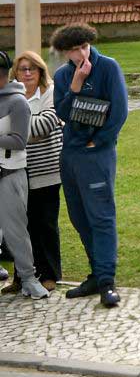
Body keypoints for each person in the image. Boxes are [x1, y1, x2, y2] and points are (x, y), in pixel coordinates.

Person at [51, 23, 128, 309]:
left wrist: (100, 140)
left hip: (96, 155)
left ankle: (107, 281)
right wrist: (75, 85)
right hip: (70, 155)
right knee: (79, 217)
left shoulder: (108, 67)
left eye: (84, 47)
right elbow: (62, 111)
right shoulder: (63, 75)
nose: (81, 54)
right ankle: (96, 274)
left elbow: (119, 111)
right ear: (65, 53)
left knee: (101, 216)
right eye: (74, 50)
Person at [3, 51, 60, 294]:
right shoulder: (12, 97)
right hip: (19, 169)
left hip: (45, 170)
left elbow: (43, 126)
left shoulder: (49, 93)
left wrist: (17, 129)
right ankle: (21, 277)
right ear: (15, 72)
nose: (27, 73)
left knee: (44, 224)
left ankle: (48, 275)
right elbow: (27, 131)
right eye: (22, 69)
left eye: (32, 69)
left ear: (40, 71)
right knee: (19, 225)